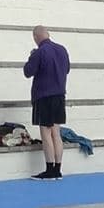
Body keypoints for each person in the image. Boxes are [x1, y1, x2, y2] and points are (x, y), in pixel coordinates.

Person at [23, 25, 72, 180]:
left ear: (36, 37)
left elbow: (28, 72)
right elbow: (67, 69)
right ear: (48, 34)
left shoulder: (40, 52)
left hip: (44, 96)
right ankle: (58, 169)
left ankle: (49, 169)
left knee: (46, 133)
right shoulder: (62, 49)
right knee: (56, 132)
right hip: (59, 95)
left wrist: (32, 56)